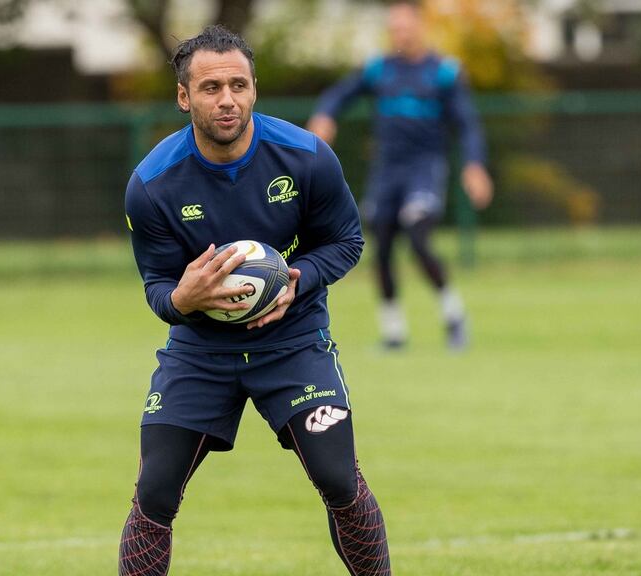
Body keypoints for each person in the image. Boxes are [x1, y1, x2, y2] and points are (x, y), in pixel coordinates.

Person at [121, 25, 390, 576]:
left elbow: (347, 241)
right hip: (200, 352)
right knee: (154, 492)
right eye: (211, 87)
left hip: (294, 345)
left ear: (254, 90)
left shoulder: (307, 157)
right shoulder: (152, 184)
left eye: (238, 85)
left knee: (340, 479)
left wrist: (298, 279)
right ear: (184, 96)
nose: (227, 100)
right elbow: (156, 286)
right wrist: (181, 297)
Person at [307, 0, 493, 350]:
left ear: (421, 26)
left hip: (424, 167)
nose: (400, 34)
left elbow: (467, 125)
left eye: (406, 27)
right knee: (382, 247)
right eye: (394, 29)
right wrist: (325, 115)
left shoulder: (444, 72)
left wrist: (474, 164)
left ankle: (453, 316)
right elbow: (340, 94)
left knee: (418, 234)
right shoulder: (379, 70)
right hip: (387, 171)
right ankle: (394, 332)